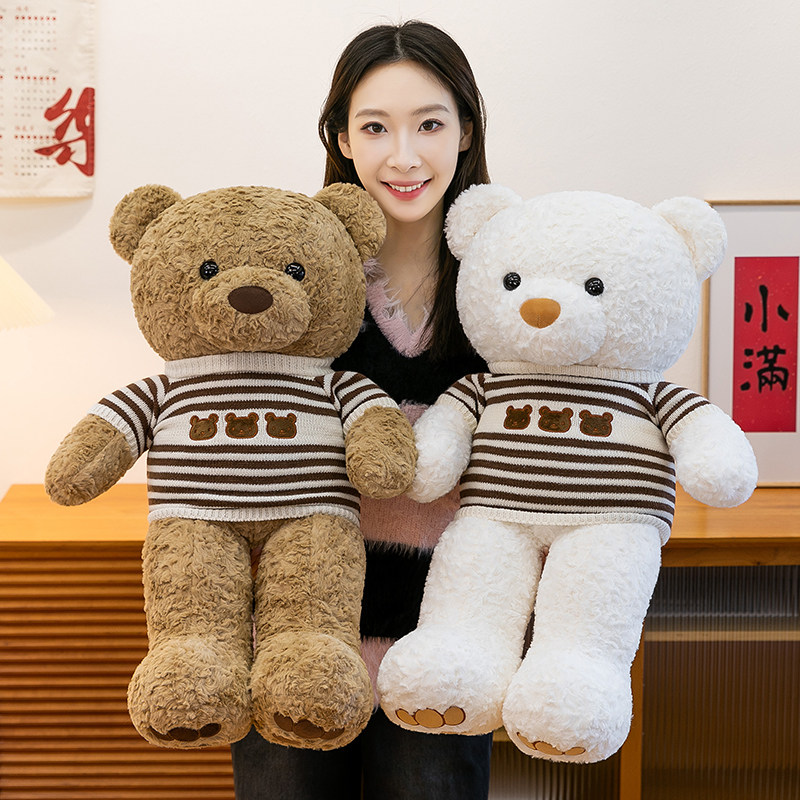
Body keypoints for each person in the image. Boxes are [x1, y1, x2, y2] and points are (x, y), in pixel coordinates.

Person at [231, 20, 492, 799]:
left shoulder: (509, 283)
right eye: (376, 128)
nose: (403, 156)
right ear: (342, 139)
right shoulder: (293, 278)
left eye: (429, 125)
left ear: (466, 131)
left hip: (443, 643)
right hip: (294, 634)